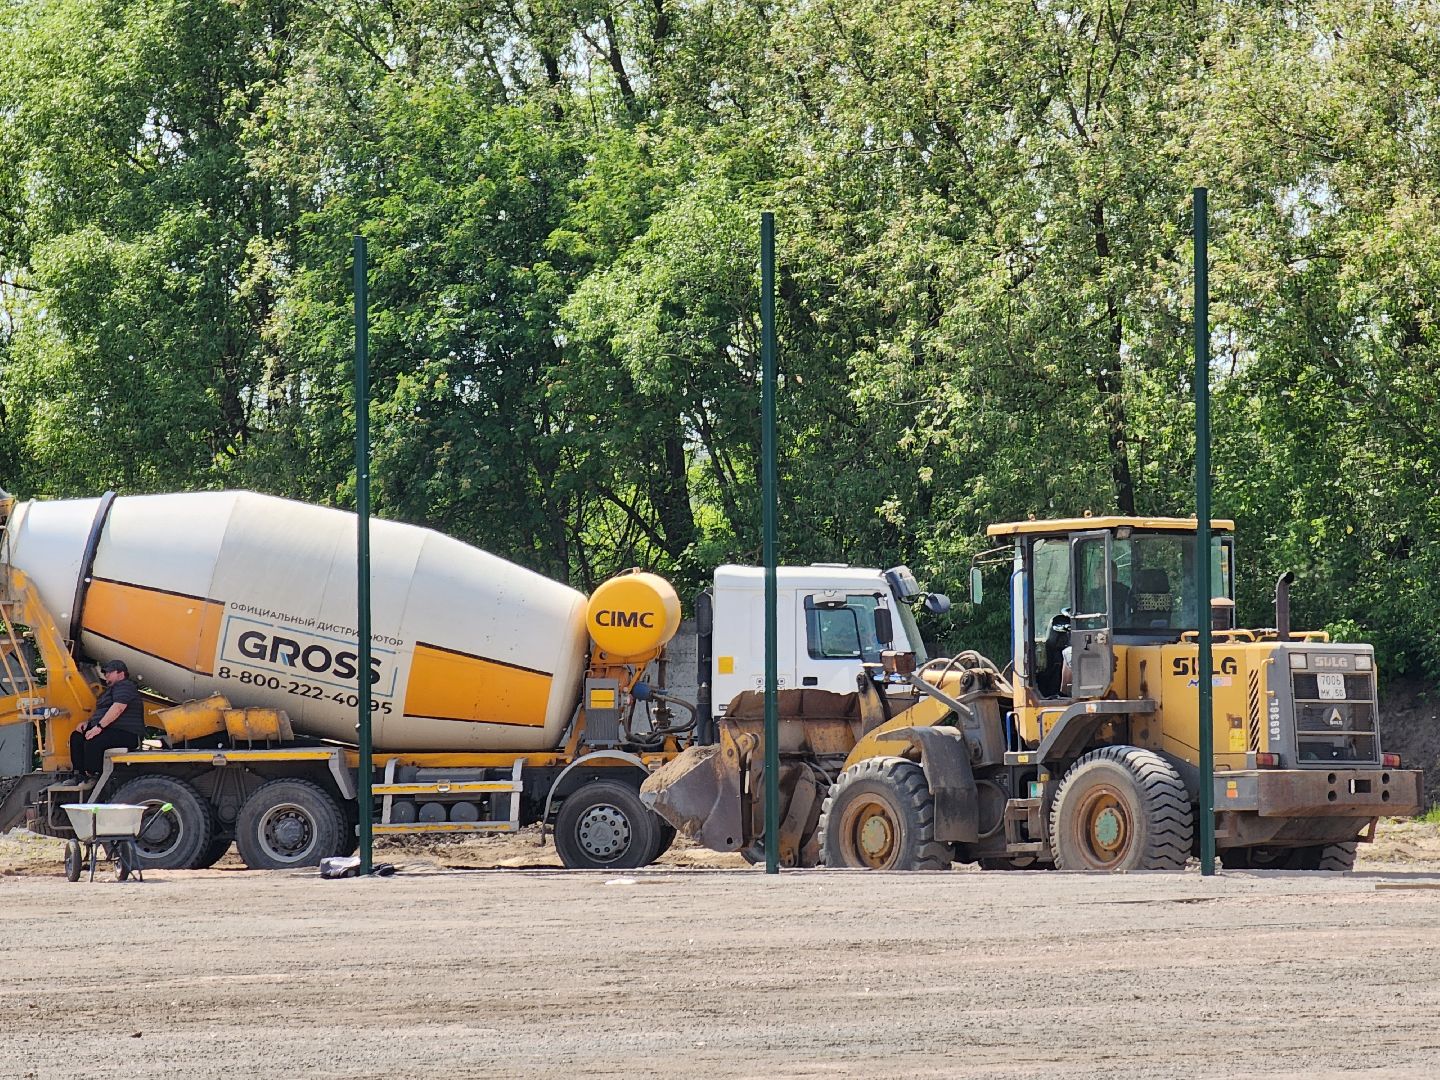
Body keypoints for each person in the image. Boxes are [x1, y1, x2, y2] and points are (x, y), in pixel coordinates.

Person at [69, 660, 144, 781]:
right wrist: (88, 723)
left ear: (121, 674)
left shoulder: (125, 686)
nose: (106, 675)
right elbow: (103, 712)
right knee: (77, 737)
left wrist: (98, 727)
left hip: (126, 732)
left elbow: (118, 708)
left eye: (109, 672)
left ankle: (95, 775)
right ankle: (79, 774)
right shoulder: (110, 690)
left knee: (93, 741)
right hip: (110, 729)